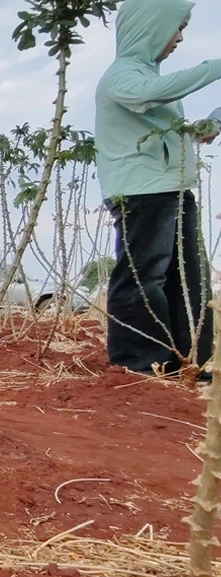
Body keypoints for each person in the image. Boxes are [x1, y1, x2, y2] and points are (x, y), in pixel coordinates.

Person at [95, 0, 220, 378]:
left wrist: (211, 124)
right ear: (151, 27)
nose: (179, 38)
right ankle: (138, 364)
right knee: (143, 276)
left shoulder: (145, 76)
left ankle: (192, 362)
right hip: (141, 192)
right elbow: (147, 95)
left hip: (172, 189)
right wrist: (214, 68)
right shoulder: (122, 75)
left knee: (187, 279)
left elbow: (168, 129)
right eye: (176, 28)